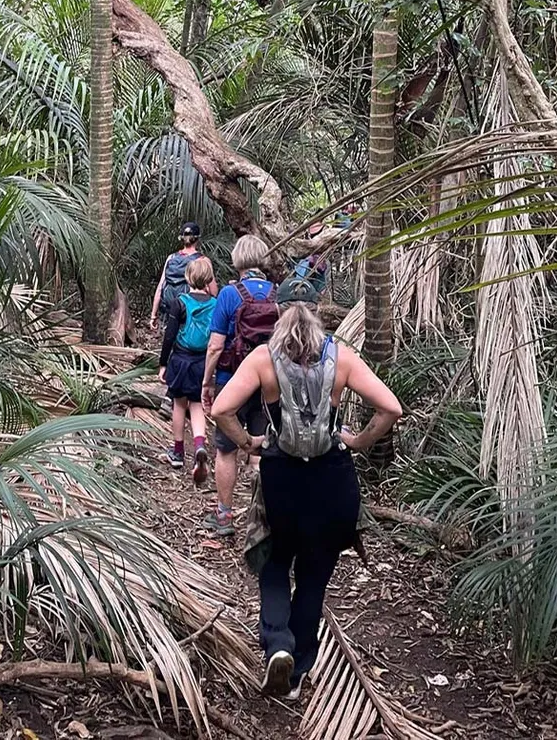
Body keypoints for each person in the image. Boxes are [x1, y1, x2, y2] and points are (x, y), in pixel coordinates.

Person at [211, 298, 402, 699]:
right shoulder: (342, 358)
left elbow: (221, 408)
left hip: (283, 478)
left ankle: (278, 643)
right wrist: (358, 441)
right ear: (318, 327)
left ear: (279, 327)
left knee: (275, 563)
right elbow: (390, 407)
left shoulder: (264, 359)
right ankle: (297, 672)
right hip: (334, 480)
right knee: (314, 576)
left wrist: (250, 442)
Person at [201, 234, 279, 537]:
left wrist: (207, 382)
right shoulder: (276, 295)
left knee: (226, 449)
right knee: (262, 447)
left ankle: (224, 516)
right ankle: (262, 519)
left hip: (231, 382)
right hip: (267, 384)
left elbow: (215, 346)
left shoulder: (230, 295)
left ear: (237, 260)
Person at [158, 256, 216, 486]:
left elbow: (169, 336)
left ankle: (178, 452)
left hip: (181, 359)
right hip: (202, 361)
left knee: (179, 404)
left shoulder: (180, 302)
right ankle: (200, 446)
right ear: (208, 279)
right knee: (197, 404)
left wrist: (163, 364)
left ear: (188, 277)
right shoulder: (215, 303)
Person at [148, 223, 215, 332]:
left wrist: (153, 315)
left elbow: (161, 287)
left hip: (170, 311)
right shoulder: (203, 261)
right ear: (197, 239)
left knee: (170, 340)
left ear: (181, 239)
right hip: (191, 313)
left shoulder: (171, 258)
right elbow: (214, 292)